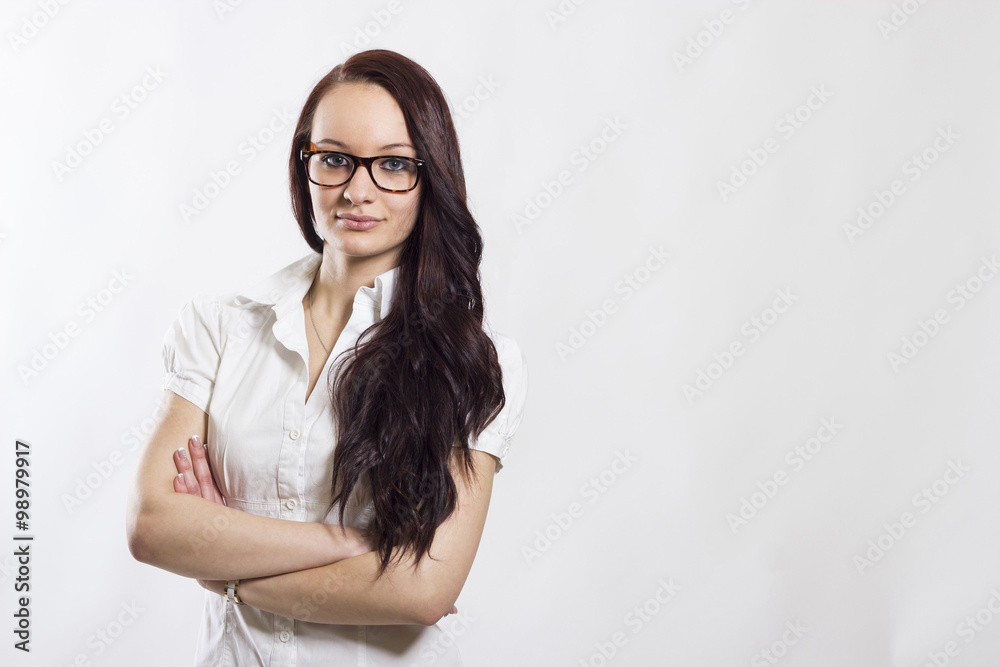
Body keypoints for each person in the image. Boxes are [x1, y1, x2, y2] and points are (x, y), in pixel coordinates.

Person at [125, 49, 528, 666]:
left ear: (431, 177)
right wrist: (355, 543)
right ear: (303, 166)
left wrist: (225, 572)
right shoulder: (220, 327)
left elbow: (423, 589)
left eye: (393, 165)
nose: (357, 190)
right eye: (335, 160)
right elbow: (153, 527)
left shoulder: (473, 359)